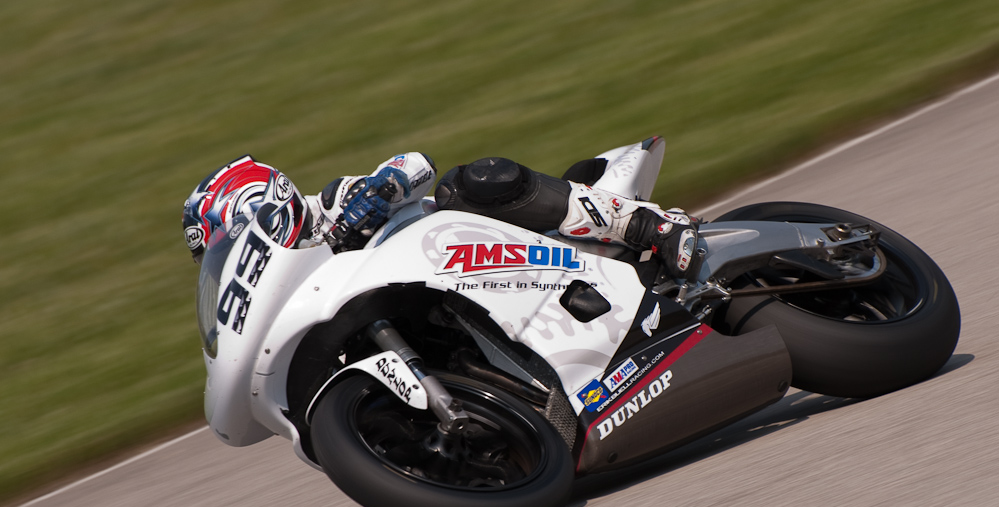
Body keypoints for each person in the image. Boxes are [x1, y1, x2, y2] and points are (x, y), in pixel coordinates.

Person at [181, 146, 697, 277]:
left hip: (490, 247)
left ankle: (654, 226)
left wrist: (380, 191)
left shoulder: (337, 200)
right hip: (455, 303)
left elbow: (416, 164)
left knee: (464, 182)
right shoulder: (297, 281)